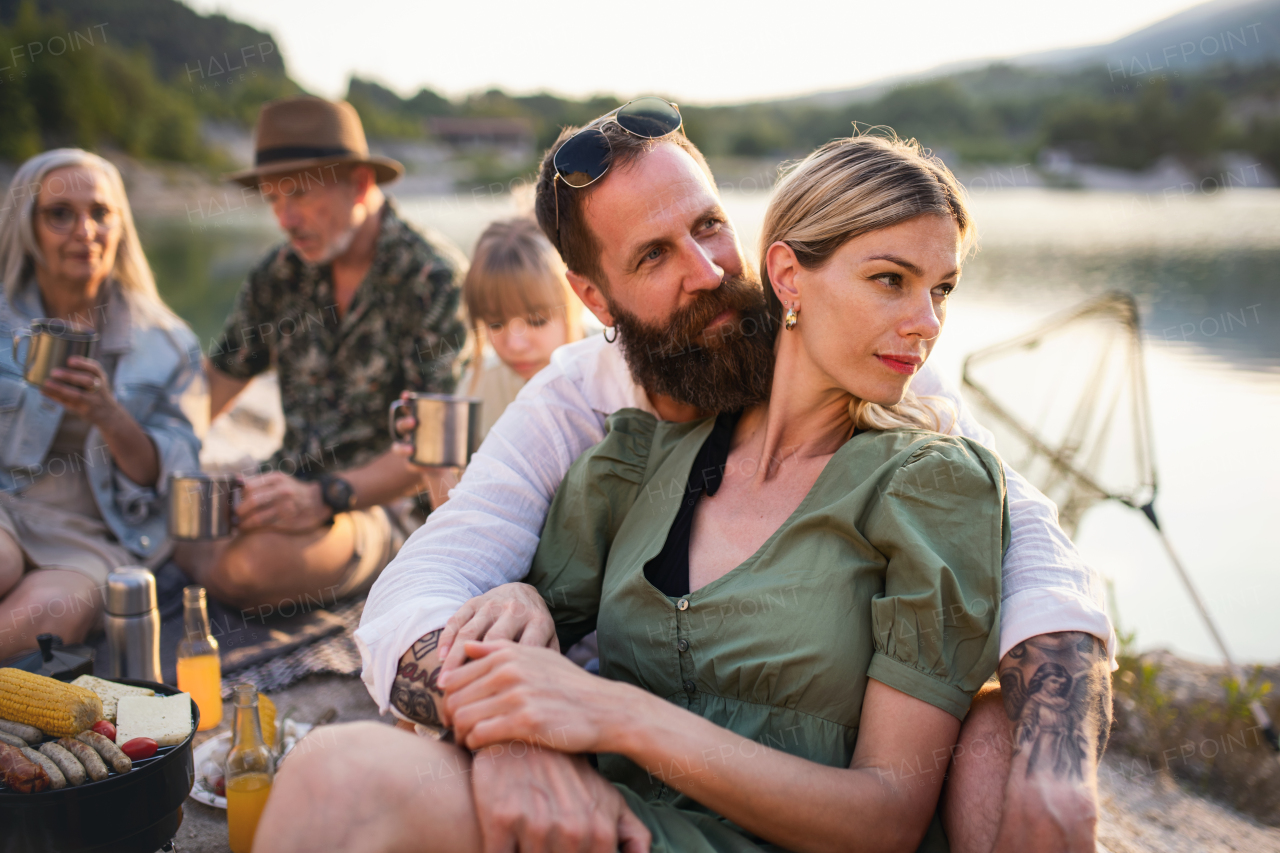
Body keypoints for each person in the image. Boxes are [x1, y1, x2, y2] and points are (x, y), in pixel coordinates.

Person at [352, 106, 1114, 852]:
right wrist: (518, 729)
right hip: (620, 797)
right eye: (653, 255)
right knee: (342, 777)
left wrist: (1060, 768)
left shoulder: (898, 388)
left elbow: (1037, 558)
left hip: (787, 806)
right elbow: (415, 595)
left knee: (999, 729)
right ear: (593, 297)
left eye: (709, 225)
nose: (708, 269)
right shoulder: (589, 417)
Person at [176, 95, 466, 611]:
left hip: (387, 508)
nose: (285, 218)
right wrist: (155, 452)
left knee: (244, 570)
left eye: (300, 195)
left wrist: (320, 497)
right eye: (272, 199)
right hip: (288, 483)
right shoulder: (279, 274)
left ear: (359, 184)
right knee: (175, 517)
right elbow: (208, 391)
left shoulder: (432, 277)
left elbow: (439, 452)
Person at [0, 149, 202, 655]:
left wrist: (108, 414)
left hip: (98, 531)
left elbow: (178, 481)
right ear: (29, 224)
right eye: (60, 214)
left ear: (121, 224)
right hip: (7, 505)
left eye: (100, 212)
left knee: (47, 619)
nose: (84, 230)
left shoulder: (169, 342)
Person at [458, 217, 583, 443]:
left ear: (577, 297)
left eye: (537, 321)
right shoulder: (478, 386)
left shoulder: (620, 368)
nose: (515, 344)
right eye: (495, 323)